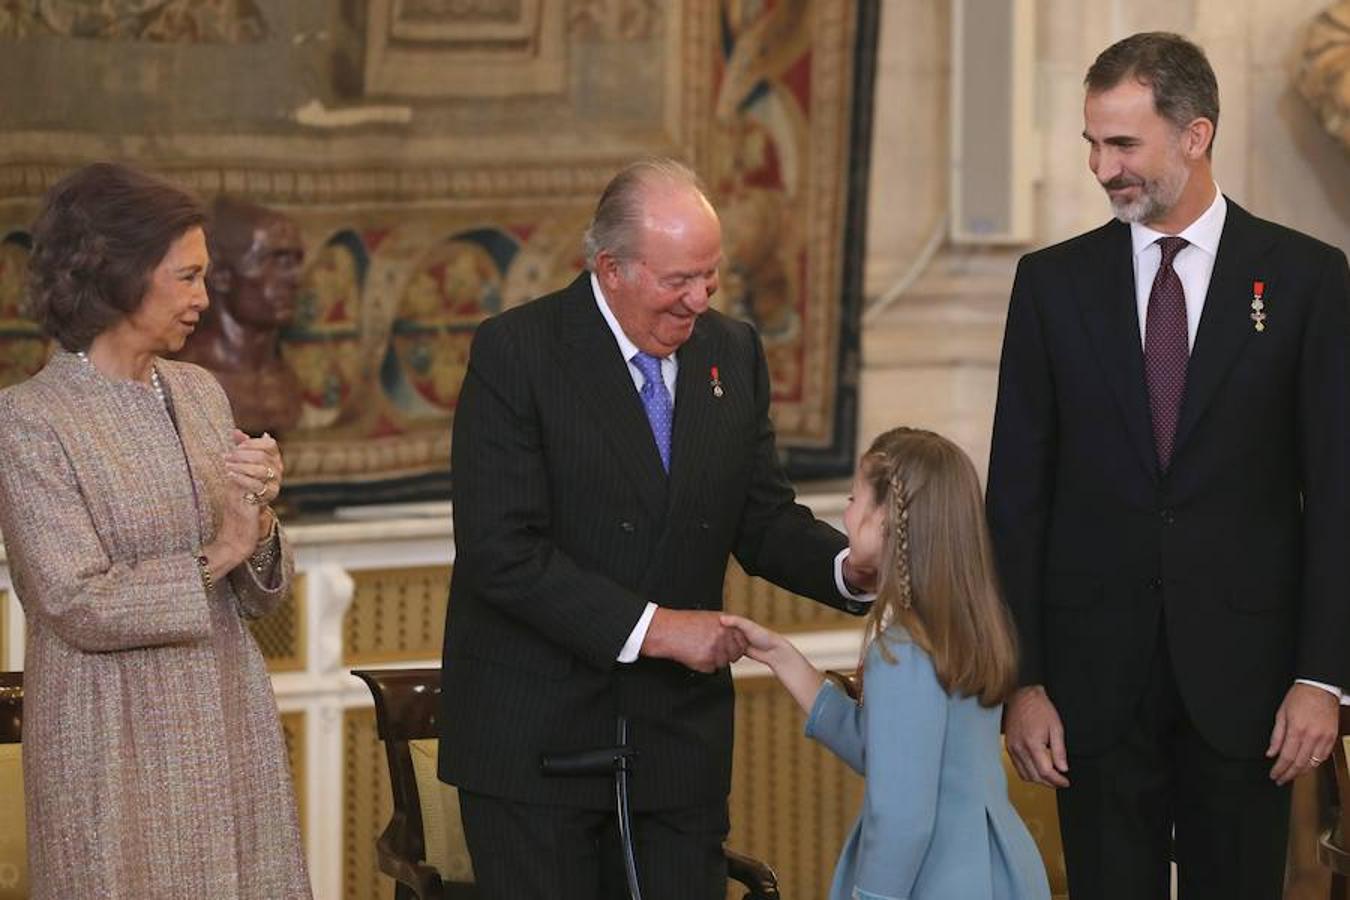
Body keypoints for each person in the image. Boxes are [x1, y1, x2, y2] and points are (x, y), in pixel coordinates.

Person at [438, 157, 876, 900]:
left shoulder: (730, 353)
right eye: (679, 280)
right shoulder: (519, 352)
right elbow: (501, 553)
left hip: (675, 747)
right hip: (536, 744)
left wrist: (851, 570)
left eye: (711, 276)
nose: (699, 299)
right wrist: (658, 629)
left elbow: (762, 517)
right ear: (611, 268)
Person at [986, 32, 1350, 900]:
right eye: (1092, 143)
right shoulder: (1050, 285)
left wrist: (1323, 677)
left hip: (1252, 687)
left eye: (1123, 144)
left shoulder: (1305, 279)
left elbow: (1338, 492)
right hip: (1090, 693)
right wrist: (1022, 680)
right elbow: (1017, 498)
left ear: (1195, 136)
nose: (1101, 167)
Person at [0, 162, 310, 899]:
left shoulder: (200, 391)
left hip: (228, 722)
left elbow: (264, 595)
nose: (205, 297)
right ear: (118, 275)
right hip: (112, 739)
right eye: (187, 277)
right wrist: (221, 549)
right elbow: (73, 600)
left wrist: (259, 516)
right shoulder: (31, 420)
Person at [723, 426, 1051, 900]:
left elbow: (902, 816)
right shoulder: (966, 627)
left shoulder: (904, 650)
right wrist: (782, 657)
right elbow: (891, 753)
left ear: (887, 521)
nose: (848, 512)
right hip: (994, 867)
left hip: (936, 880)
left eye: (855, 500)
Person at [175, 195, 305, 435]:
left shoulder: (285, 379)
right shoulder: (186, 380)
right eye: (277, 260)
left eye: (295, 261)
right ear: (223, 275)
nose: (295, 279)